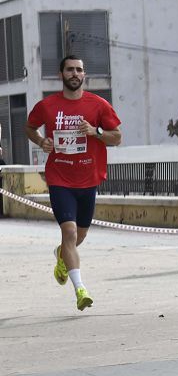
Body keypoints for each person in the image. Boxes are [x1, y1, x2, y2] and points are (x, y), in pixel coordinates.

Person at [24, 54, 123, 311]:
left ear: (84, 74)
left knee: (79, 235)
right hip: (59, 178)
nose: (75, 74)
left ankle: (61, 255)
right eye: (70, 70)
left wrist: (95, 131)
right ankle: (80, 290)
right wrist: (41, 141)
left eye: (79, 70)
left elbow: (117, 137)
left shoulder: (99, 105)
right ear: (61, 74)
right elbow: (29, 127)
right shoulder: (47, 106)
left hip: (88, 179)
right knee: (68, 232)